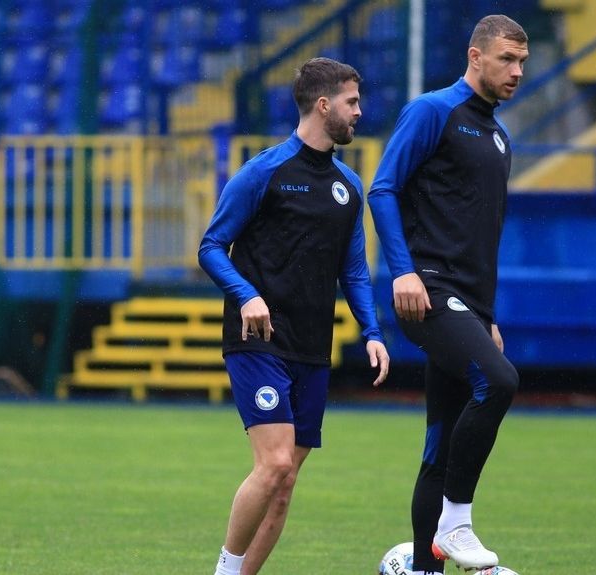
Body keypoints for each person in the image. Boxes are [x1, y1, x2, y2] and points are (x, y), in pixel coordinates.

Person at [199, 57, 390, 575]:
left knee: (284, 485)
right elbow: (211, 246)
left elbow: (354, 271)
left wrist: (372, 332)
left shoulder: (348, 186)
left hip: (312, 346)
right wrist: (247, 295)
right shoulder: (264, 172)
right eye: (352, 101)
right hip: (258, 339)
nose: (359, 111)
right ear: (323, 105)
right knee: (275, 461)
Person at [368, 15, 528, 574]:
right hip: (427, 289)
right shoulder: (433, 110)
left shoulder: (500, 137)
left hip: (469, 304)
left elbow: (480, 234)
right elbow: (382, 188)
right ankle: (456, 522)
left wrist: (486, 316)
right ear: (475, 56)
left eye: (522, 62)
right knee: (500, 381)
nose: (516, 71)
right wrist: (402, 273)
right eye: (506, 59)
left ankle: (422, 568)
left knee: (439, 444)